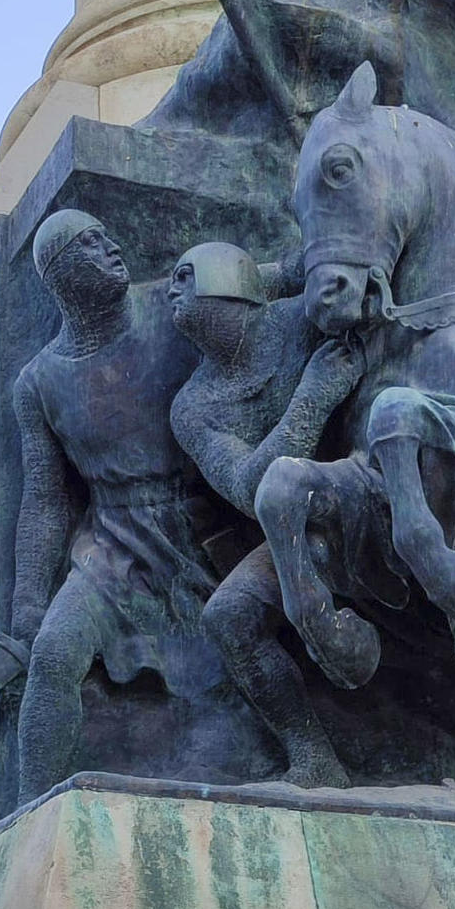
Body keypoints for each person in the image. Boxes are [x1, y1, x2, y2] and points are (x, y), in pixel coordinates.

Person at [11, 210, 216, 803]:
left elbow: (250, 291)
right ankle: (29, 814)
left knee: (243, 642)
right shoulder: (39, 382)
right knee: (52, 655)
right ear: (60, 276)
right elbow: (46, 499)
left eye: (108, 234)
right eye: (90, 244)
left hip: (202, 522)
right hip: (114, 543)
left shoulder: (171, 305)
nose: (112, 247)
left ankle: (312, 752)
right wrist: (28, 601)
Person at [167, 240, 361, 786]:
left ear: (228, 276)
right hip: (301, 524)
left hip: (372, 479)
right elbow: (247, 485)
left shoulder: (303, 316)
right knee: (227, 617)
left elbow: (330, 257)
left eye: (185, 275)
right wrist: (312, 398)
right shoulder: (195, 405)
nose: (170, 290)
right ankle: (316, 761)